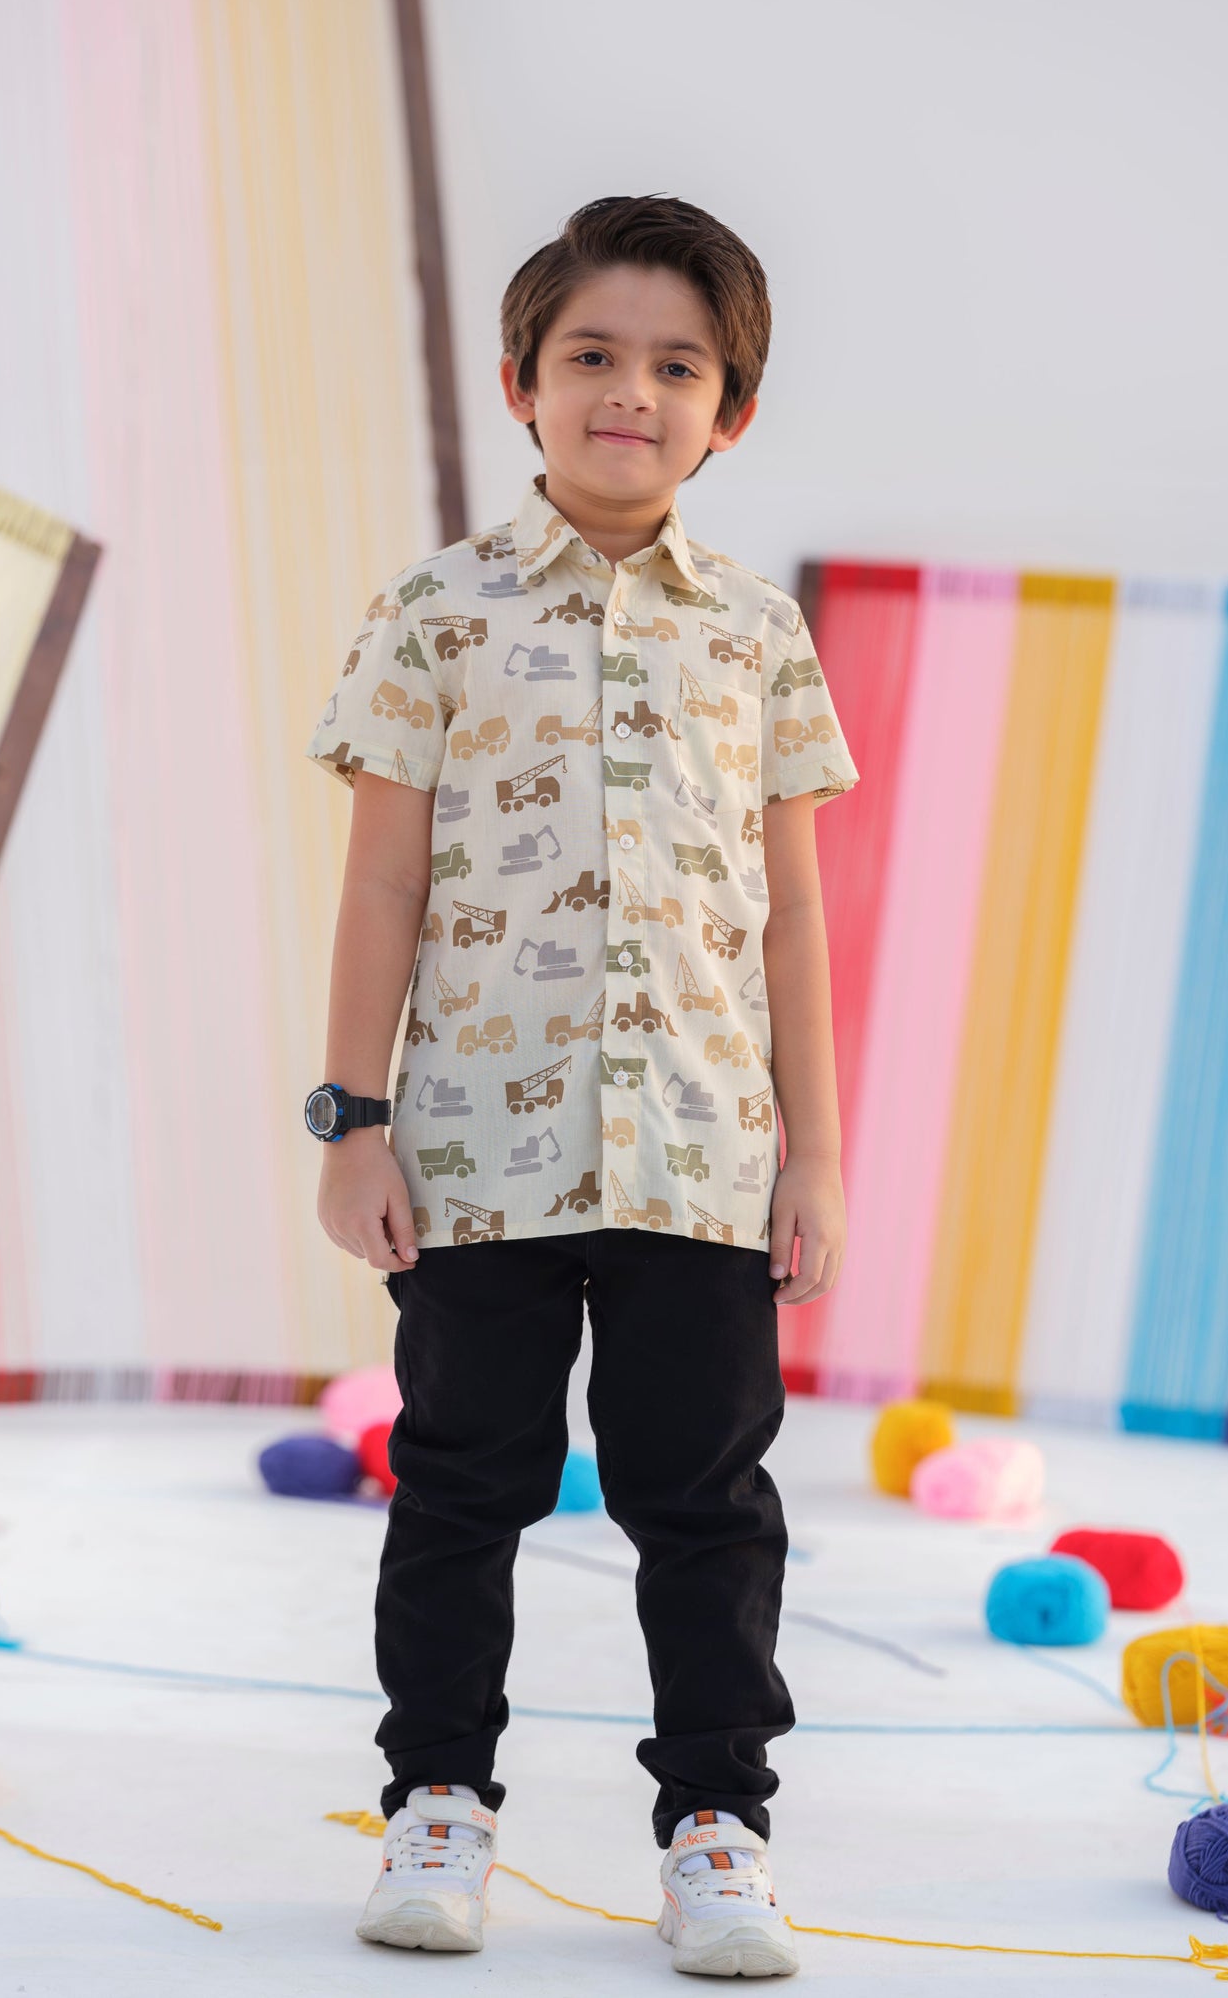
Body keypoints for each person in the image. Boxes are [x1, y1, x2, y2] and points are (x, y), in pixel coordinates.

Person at [302, 194, 859, 1977]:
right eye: (593, 355)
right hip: (480, 1153)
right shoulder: (435, 613)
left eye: (677, 367)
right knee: (463, 1483)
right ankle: (437, 1807)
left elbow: (791, 918)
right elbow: (382, 886)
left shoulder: (758, 635)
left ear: (730, 413)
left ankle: (718, 1829)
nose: (632, 391)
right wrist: (351, 1121)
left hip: (701, 1156)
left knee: (706, 1502)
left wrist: (816, 1157)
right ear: (521, 384)